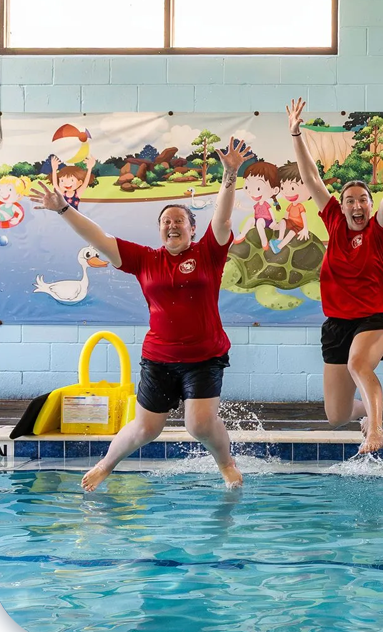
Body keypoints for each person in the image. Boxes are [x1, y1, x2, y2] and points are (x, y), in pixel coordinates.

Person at [27, 138, 252, 492]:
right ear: (160, 230)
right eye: (166, 221)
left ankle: (225, 464)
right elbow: (99, 238)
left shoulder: (209, 252)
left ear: (192, 229)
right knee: (146, 428)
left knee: (200, 425)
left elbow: (222, 219)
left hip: (204, 356)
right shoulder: (147, 259)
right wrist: (62, 209)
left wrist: (230, 175)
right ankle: (106, 464)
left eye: (180, 220)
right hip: (159, 357)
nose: (172, 225)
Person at [288, 98, 383, 456]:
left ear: (370, 206)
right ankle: (367, 415)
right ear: (340, 206)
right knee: (336, 415)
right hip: (337, 323)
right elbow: (311, 175)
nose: (357, 205)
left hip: (374, 319)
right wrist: (296, 133)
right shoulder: (332, 222)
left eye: (363, 200)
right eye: (350, 200)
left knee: (359, 363)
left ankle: (376, 430)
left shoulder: (379, 229)